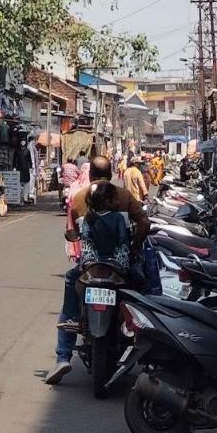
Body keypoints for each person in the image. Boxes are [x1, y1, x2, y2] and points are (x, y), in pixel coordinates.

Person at [46, 155, 151, 384]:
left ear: (90, 174)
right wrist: (135, 246)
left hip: (90, 266)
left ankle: (63, 356)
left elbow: (74, 233)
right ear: (111, 173)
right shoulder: (122, 196)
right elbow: (144, 223)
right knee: (145, 284)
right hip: (119, 265)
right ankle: (150, 337)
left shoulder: (79, 197)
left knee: (70, 293)